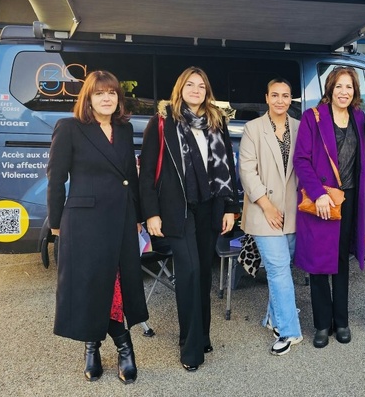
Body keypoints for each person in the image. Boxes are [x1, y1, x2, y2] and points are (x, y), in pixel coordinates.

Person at [47, 70, 148, 384]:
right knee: (91, 284)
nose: (107, 98)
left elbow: (130, 176)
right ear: (88, 98)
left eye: (112, 93)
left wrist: (137, 217)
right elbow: (56, 179)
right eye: (100, 93)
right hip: (83, 222)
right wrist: (56, 224)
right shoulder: (70, 128)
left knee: (119, 284)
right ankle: (93, 346)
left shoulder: (124, 127)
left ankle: (124, 346)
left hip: (120, 219)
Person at [138, 67, 238, 371]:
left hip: (210, 207)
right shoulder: (162, 123)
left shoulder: (216, 121)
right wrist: (151, 213)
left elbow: (228, 168)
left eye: (201, 86)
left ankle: (202, 334)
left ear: (207, 91)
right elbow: (146, 175)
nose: (196, 90)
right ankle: (190, 347)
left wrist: (231, 208)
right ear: (180, 88)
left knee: (204, 275)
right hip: (176, 210)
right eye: (190, 85)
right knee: (191, 272)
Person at [293, 66, 365, 349]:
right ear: (330, 89)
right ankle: (323, 324)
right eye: (339, 87)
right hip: (321, 201)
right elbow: (301, 160)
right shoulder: (313, 118)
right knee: (318, 265)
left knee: (340, 262)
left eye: (349, 87)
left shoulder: (359, 118)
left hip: (348, 201)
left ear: (354, 91)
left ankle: (342, 321)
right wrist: (318, 194)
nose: (344, 92)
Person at [238, 78, 303, 356]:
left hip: (292, 211)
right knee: (278, 269)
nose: (280, 100)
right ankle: (290, 331)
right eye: (274, 95)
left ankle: (273, 319)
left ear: (291, 99)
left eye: (285, 95)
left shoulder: (300, 128)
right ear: (266, 98)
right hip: (263, 211)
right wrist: (266, 205)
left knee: (283, 266)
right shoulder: (253, 129)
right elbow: (247, 171)